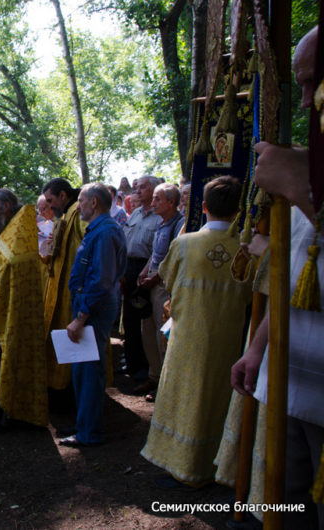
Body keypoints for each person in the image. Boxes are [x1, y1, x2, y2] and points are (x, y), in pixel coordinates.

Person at [231, 26, 324, 528]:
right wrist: (258, 347)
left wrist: (304, 191)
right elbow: (298, 275)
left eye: (315, 83)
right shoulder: (316, 163)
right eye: (301, 87)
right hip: (290, 384)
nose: (308, 102)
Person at [138, 176, 251, 488]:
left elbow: (167, 280)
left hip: (188, 335)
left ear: (202, 207)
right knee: (217, 398)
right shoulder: (246, 250)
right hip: (228, 339)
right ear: (238, 210)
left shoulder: (185, 244)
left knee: (183, 397)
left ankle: (182, 466)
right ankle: (217, 465)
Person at [0, 189, 48, 432]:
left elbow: (13, 265)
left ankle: (7, 413)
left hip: (15, 310)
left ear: (5, 207)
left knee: (9, 356)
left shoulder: (20, 229)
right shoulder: (4, 229)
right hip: (0, 303)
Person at [59, 183, 127, 447]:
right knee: (82, 370)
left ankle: (89, 433)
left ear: (94, 203)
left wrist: (81, 316)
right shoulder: (98, 231)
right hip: (90, 307)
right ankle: (84, 424)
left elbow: (101, 279)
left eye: (81, 201)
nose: (79, 205)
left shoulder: (105, 233)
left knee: (88, 372)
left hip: (94, 310)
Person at [135, 183, 184, 400]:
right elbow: (155, 254)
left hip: (164, 286)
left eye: (158, 199)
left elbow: (174, 260)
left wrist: (155, 277)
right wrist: (144, 272)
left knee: (161, 335)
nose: (153, 203)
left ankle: (164, 385)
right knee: (148, 331)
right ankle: (154, 376)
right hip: (151, 283)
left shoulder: (180, 225)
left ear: (172, 202)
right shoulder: (161, 224)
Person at [41, 178, 86, 402]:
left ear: (63, 196)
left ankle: (72, 392)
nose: (49, 207)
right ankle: (63, 388)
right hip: (60, 289)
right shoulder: (63, 216)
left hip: (74, 291)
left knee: (75, 340)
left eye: (51, 200)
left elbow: (90, 246)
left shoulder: (78, 212)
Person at [121, 176, 162, 381]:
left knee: (145, 319)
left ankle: (148, 368)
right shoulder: (135, 213)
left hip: (147, 269)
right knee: (129, 318)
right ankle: (131, 363)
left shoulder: (161, 217)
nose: (137, 190)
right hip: (129, 267)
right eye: (137, 187)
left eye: (143, 187)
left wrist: (146, 273)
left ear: (154, 191)